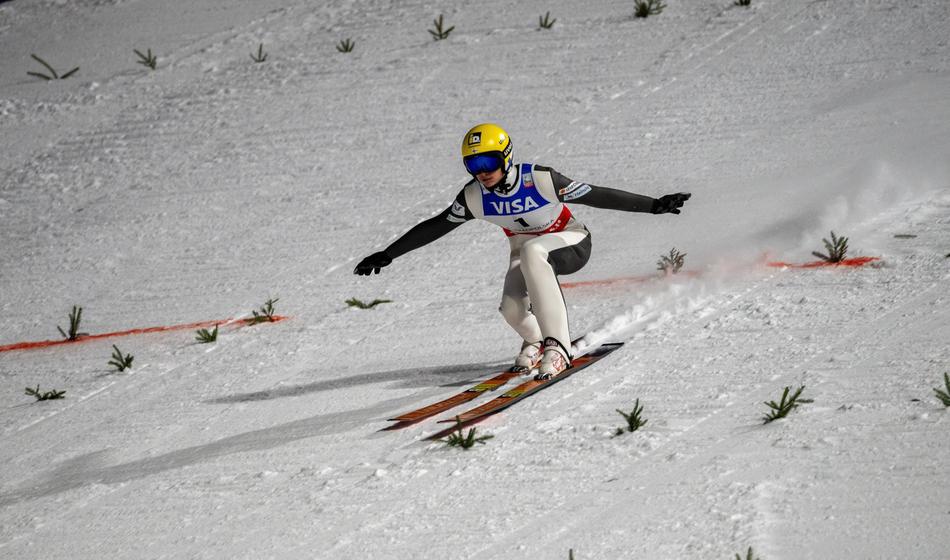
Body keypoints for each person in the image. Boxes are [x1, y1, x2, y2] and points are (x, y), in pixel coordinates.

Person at [355, 123, 690, 379]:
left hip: (570, 243)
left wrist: (653, 206)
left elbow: (595, 194)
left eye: (488, 161)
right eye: (473, 165)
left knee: (532, 250)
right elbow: (438, 224)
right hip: (527, 251)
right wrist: (389, 253)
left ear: (506, 157)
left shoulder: (540, 179)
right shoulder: (474, 196)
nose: (482, 172)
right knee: (512, 309)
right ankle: (536, 341)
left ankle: (558, 347)